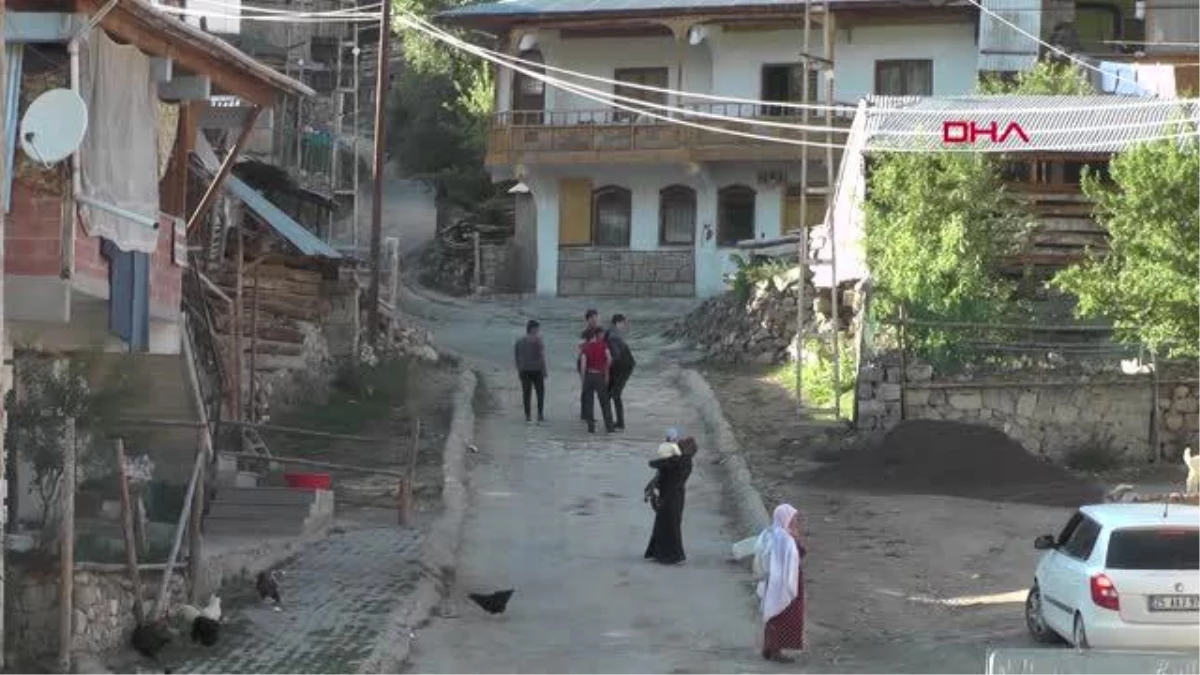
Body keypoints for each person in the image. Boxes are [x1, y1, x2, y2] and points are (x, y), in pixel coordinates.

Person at [755, 503, 807, 663]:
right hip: (785, 582)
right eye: (792, 518)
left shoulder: (772, 534)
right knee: (784, 613)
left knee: (774, 612)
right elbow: (799, 554)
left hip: (775, 582)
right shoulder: (785, 537)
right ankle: (776, 650)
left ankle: (769, 646)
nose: (794, 522)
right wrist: (796, 538)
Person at [643, 429, 696, 565]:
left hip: (670, 497)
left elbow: (656, 464)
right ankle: (660, 553)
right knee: (667, 525)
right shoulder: (686, 461)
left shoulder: (677, 461)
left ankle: (672, 555)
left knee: (667, 525)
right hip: (676, 496)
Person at [578, 327, 615, 434]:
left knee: (589, 403)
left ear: (587, 338)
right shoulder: (603, 345)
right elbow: (609, 359)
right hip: (599, 376)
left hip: (589, 375)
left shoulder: (586, 348)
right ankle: (609, 427)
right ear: (594, 336)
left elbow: (583, 365)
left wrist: (583, 379)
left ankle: (591, 429)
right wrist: (605, 369)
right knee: (605, 403)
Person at [605, 314, 636, 431]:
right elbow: (616, 355)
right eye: (624, 323)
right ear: (618, 322)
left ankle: (615, 423)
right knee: (613, 394)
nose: (624, 326)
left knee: (612, 394)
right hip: (623, 366)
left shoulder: (610, 332)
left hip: (622, 366)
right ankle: (616, 423)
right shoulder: (614, 335)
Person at [514, 319, 546, 424]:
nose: (538, 330)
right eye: (537, 328)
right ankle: (540, 415)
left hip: (524, 370)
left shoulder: (519, 341)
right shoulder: (538, 341)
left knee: (526, 393)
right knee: (540, 393)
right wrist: (544, 370)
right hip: (537, 370)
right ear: (533, 329)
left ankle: (528, 416)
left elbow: (517, 357)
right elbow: (541, 357)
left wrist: (519, 369)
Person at [578, 309, 600, 421]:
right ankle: (585, 414)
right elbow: (580, 348)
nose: (595, 320)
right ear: (588, 320)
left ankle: (587, 414)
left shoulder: (598, 331)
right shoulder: (585, 332)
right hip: (585, 362)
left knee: (590, 389)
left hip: (594, 363)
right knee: (586, 388)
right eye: (593, 318)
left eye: (596, 317)